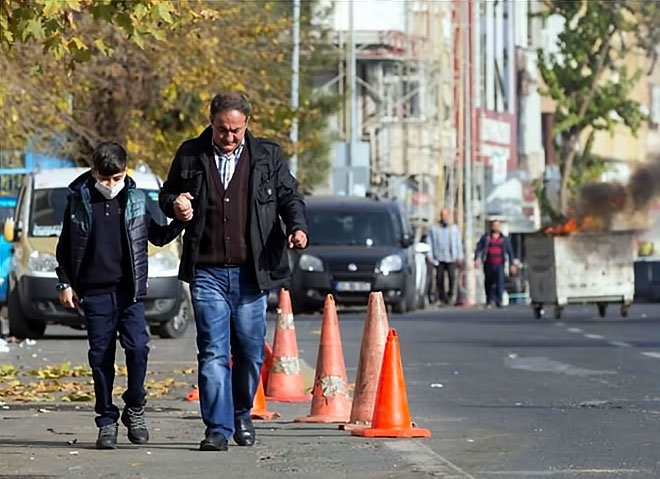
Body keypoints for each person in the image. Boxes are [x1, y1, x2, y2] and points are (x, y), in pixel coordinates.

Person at [158, 92, 309, 452]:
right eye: (223, 130)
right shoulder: (191, 154)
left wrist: (296, 227)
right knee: (212, 351)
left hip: (251, 273)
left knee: (250, 350)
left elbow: (290, 197)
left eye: (236, 130)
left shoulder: (267, 156)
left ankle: (242, 411)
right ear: (211, 123)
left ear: (247, 125)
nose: (229, 137)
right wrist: (175, 204)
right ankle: (217, 428)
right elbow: (168, 193)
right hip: (207, 270)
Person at [55, 142, 184, 449]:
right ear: (94, 171)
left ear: (125, 172)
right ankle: (107, 420)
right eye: (104, 178)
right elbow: (65, 248)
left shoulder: (137, 200)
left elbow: (158, 234)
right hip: (95, 293)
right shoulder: (78, 201)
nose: (110, 185)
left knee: (138, 349)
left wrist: (181, 220)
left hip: (130, 293)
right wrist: (65, 284)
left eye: (116, 178)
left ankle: (135, 407)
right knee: (101, 359)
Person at [473, 219, 516, 307]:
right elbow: (479, 248)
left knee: (500, 282)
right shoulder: (486, 238)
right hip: (488, 263)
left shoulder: (504, 239)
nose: (496, 227)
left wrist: (512, 264)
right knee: (489, 282)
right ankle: (489, 300)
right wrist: (477, 259)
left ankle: (499, 300)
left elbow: (510, 252)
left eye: (497, 225)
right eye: (494, 225)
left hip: (499, 264)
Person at [426, 208, 464, 305]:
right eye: (443, 215)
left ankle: (451, 294)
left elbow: (458, 243)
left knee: (452, 277)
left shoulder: (453, 229)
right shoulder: (434, 229)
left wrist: (460, 255)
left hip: (451, 257)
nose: (444, 217)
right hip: (439, 257)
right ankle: (442, 297)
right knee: (439, 278)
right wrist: (429, 255)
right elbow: (429, 241)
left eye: (446, 215)